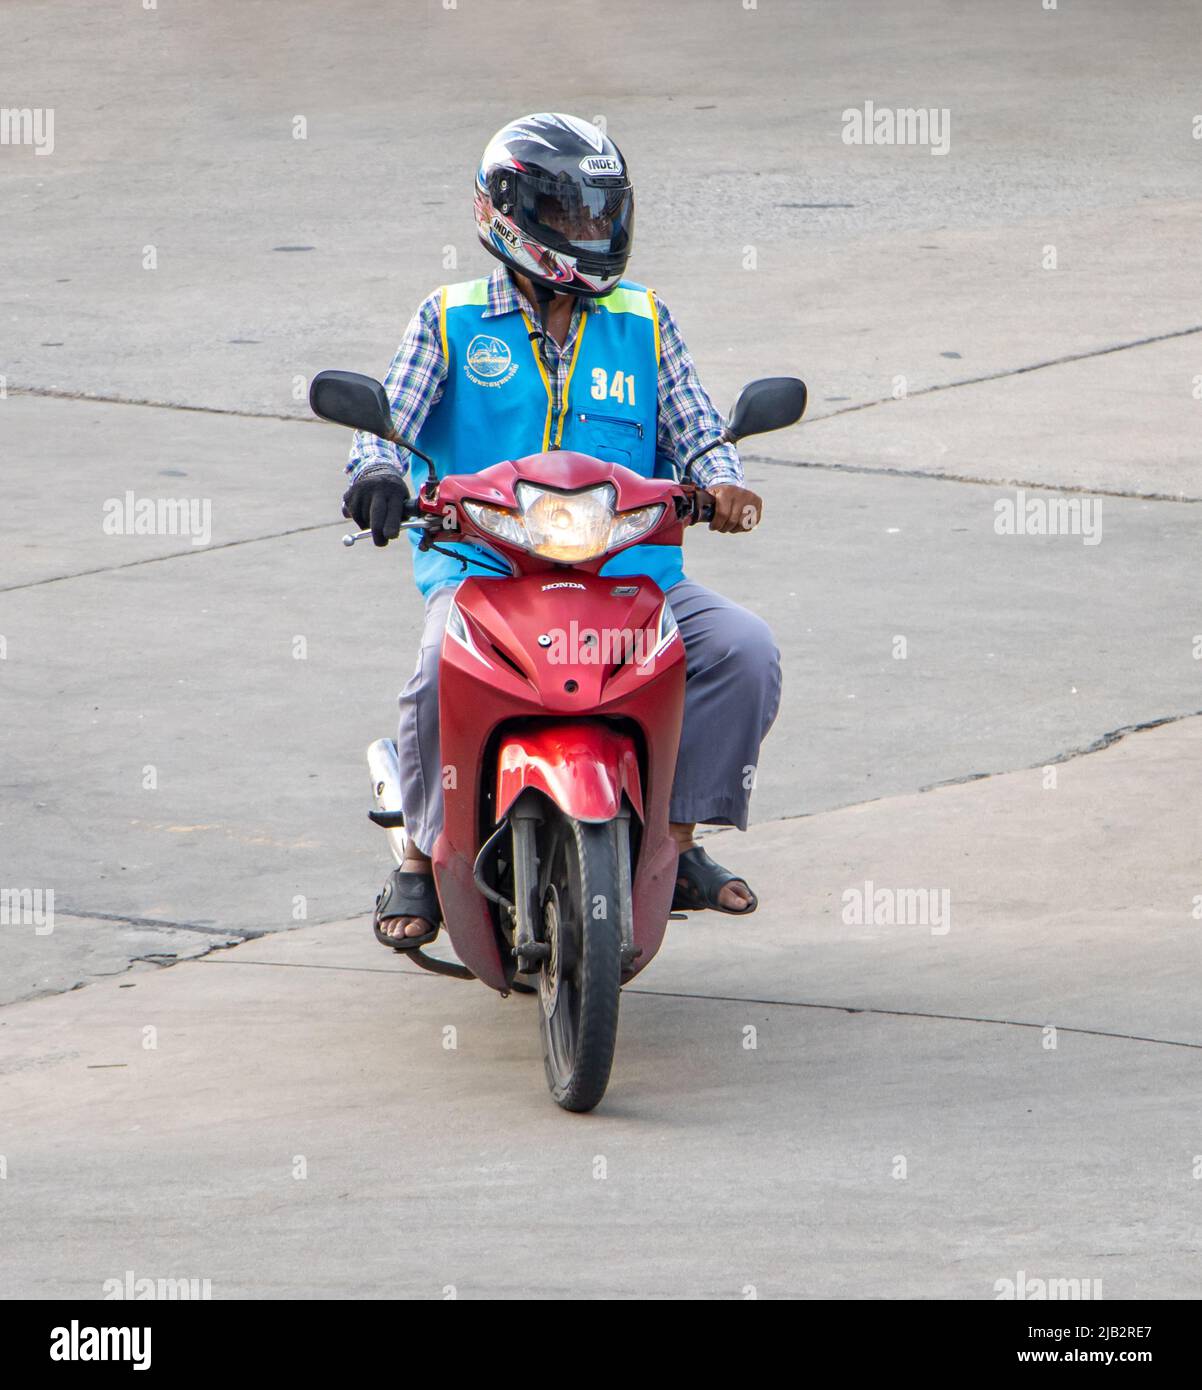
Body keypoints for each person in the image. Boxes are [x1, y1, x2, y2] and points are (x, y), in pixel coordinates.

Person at [342, 113, 781, 950]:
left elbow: (697, 429)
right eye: (574, 215)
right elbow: (386, 418)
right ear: (515, 216)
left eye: (602, 214)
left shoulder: (645, 320)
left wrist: (721, 482)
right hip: (485, 571)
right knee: (438, 670)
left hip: (630, 578)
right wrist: (378, 475)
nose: (592, 232)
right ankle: (425, 855)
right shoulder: (450, 319)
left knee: (742, 649)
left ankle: (676, 840)